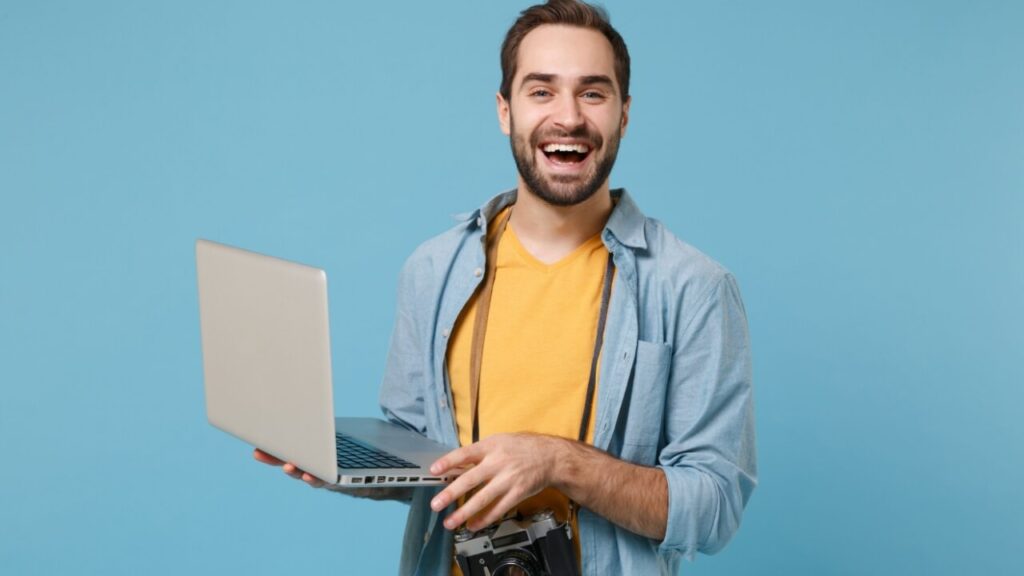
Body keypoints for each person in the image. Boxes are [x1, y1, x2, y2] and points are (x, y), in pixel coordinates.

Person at [255, 1, 756, 574]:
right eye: (541, 91)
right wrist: (340, 467)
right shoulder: (432, 269)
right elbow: (424, 461)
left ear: (624, 114)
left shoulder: (693, 287)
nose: (568, 117)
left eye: (593, 93)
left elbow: (714, 508)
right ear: (504, 110)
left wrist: (559, 462)